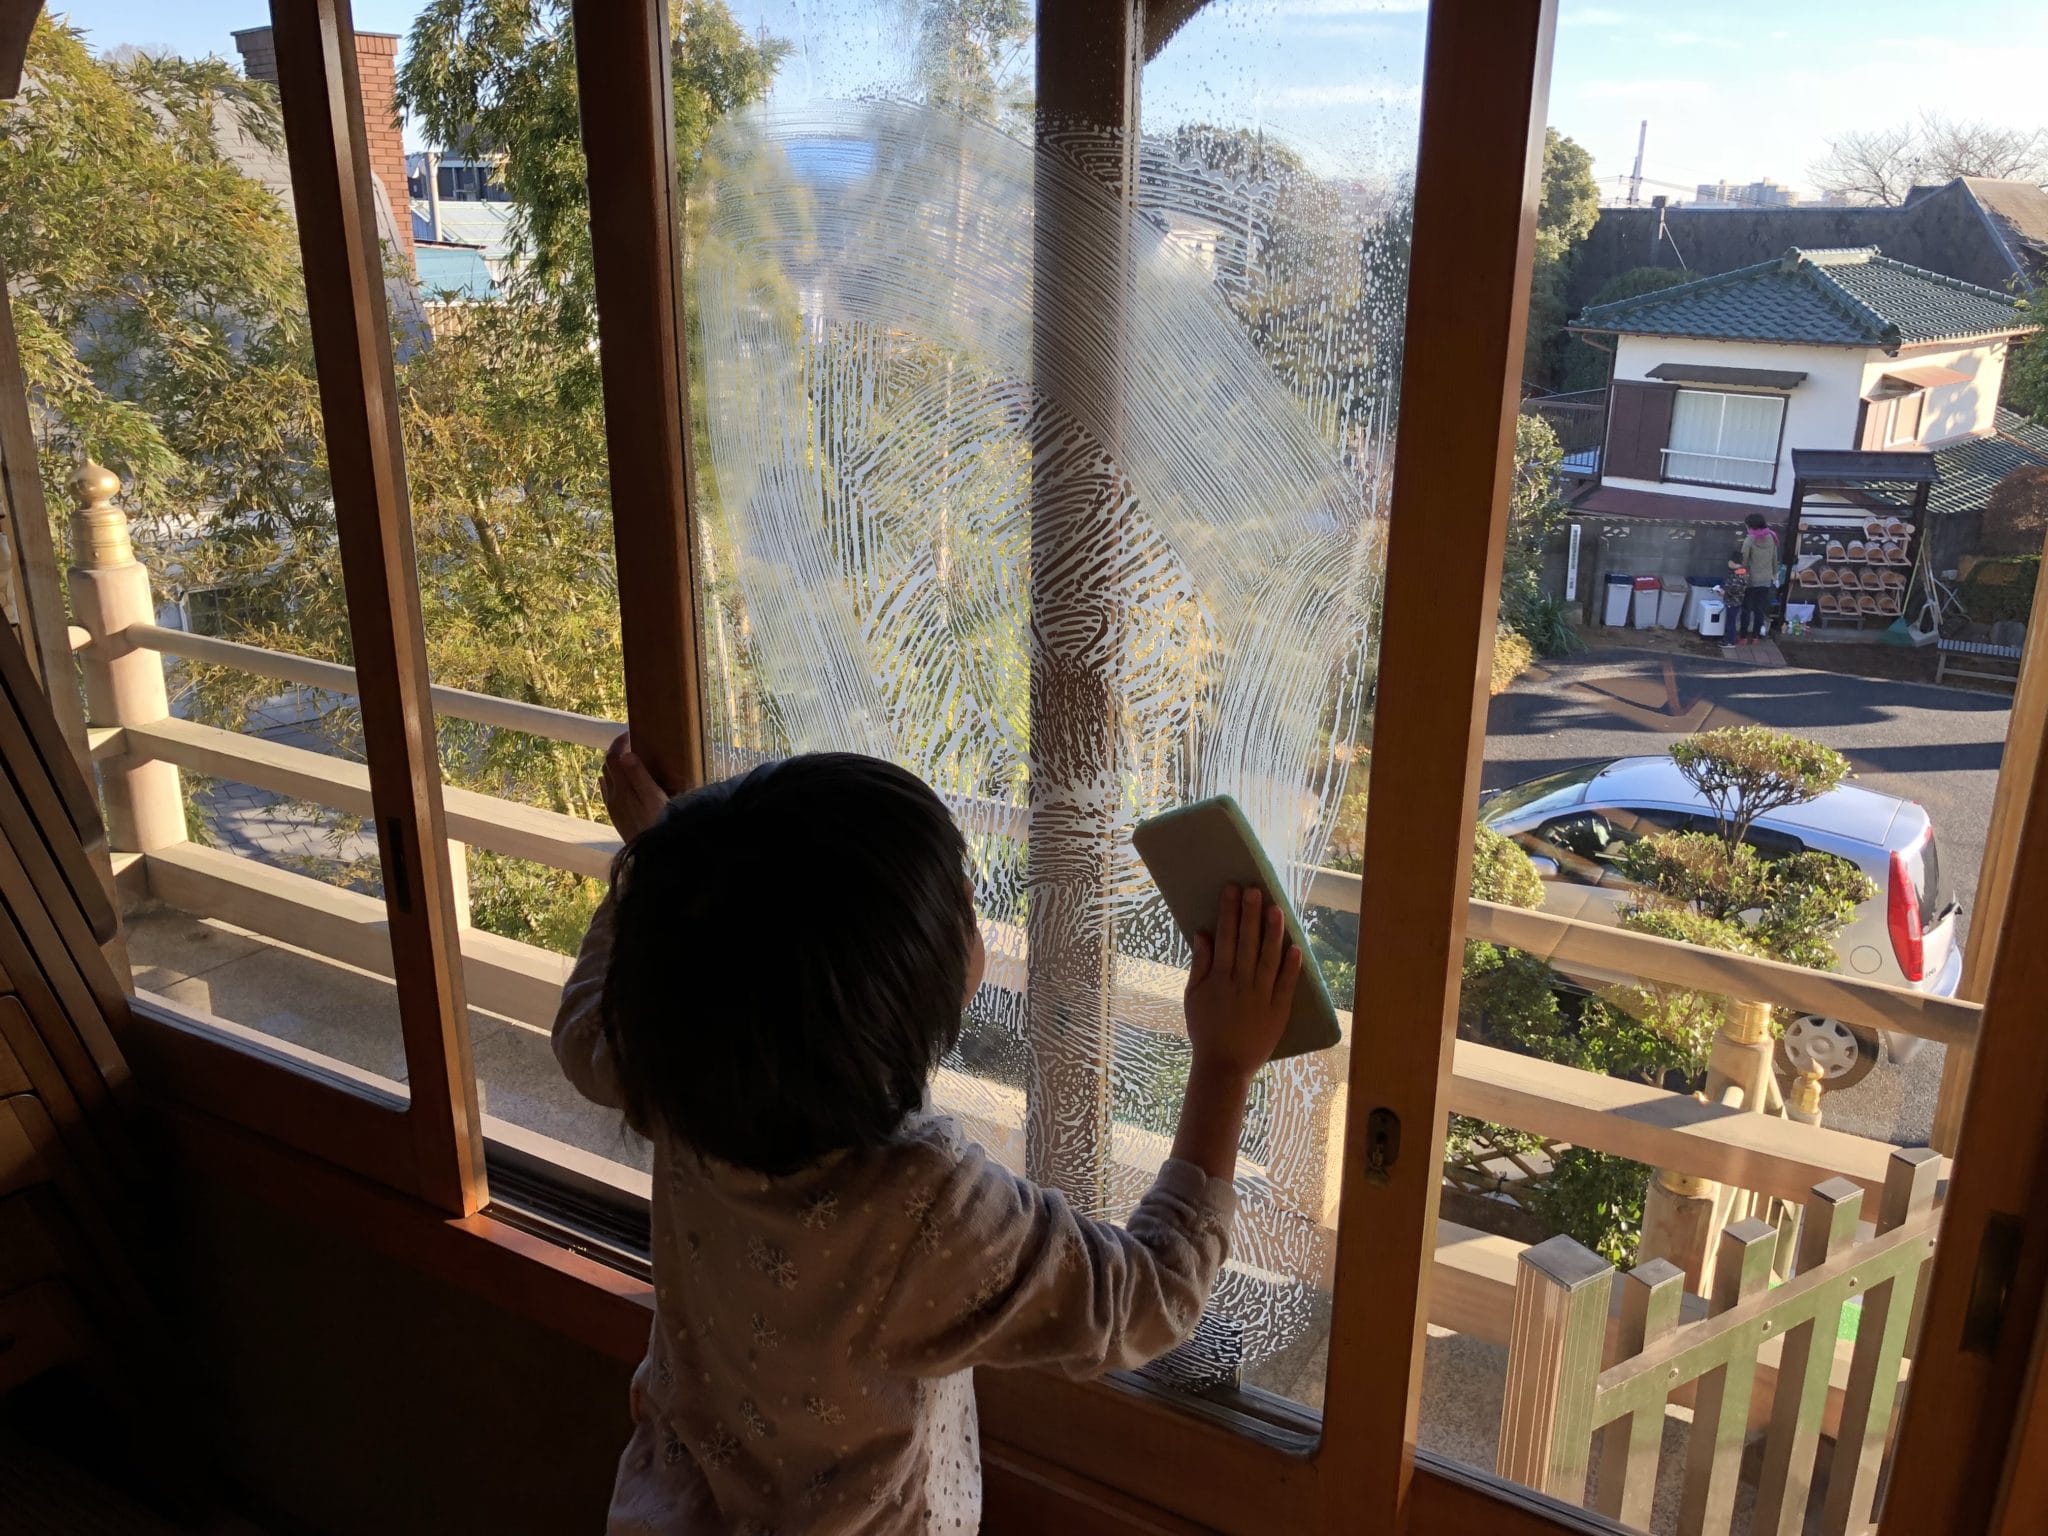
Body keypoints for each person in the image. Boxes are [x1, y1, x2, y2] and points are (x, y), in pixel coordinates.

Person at [562, 736, 1300, 1535]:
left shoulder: (678, 1075)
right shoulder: (924, 1203)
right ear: (904, 994)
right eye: (961, 903)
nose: (974, 901)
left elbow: (584, 1028)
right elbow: (1153, 1296)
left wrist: (664, 865)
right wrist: (1225, 1064)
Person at [1736, 511, 1780, 644]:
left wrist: (1739, 573)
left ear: (1750, 526)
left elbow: (1743, 560)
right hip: (1766, 580)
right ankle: (1755, 637)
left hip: (1751, 580)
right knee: (1759, 610)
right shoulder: (1772, 537)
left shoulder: (1750, 539)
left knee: (1746, 609)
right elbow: (1774, 558)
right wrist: (1775, 574)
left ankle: (1743, 637)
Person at [1717, 559, 1748, 650]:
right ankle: (1728, 639)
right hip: (1733, 601)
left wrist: (1725, 592)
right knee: (1730, 621)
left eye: (1730, 561)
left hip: (1733, 602)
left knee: (1730, 622)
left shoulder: (1738, 575)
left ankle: (1730, 641)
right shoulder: (1739, 573)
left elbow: (1735, 589)